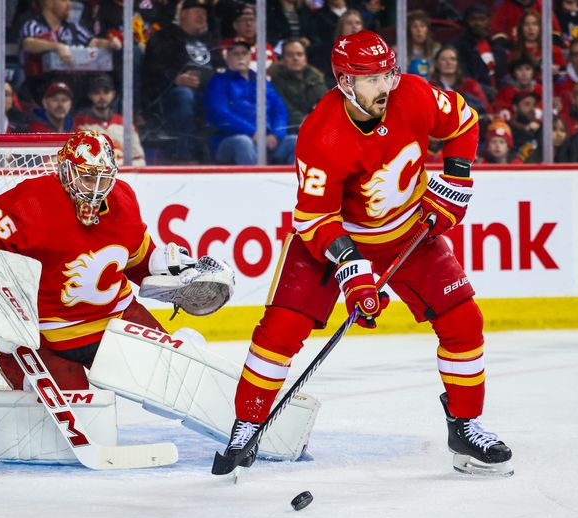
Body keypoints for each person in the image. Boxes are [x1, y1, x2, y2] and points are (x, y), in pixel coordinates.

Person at [218, 30, 513, 476]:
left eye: (388, 73)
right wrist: (352, 270)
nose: (385, 85)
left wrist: (455, 179)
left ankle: (465, 426)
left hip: (408, 233)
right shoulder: (322, 134)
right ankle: (247, 424)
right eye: (371, 78)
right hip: (335, 239)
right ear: (344, 82)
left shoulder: (412, 93)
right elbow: (315, 220)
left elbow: (465, 122)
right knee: (281, 330)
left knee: (463, 320)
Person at [0, 130, 228, 390]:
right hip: (46, 335)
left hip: (117, 319)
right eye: (88, 177)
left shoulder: (123, 198)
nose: (96, 188)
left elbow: (136, 257)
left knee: (179, 378)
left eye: (104, 178)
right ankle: (20, 378)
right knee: (70, 413)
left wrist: (171, 272)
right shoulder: (34, 200)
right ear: (66, 172)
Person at [142, 0, 223, 163]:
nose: (202, 16)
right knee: (184, 96)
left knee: (222, 97)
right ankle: (184, 155)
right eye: (196, 12)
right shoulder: (164, 37)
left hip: (207, 91)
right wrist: (175, 79)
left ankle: (215, 155)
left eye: (204, 14)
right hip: (171, 93)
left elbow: (220, 66)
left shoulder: (210, 40)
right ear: (182, 14)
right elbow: (151, 69)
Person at [204, 40, 297, 165]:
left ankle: (296, 183)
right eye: (236, 54)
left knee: (295, 141)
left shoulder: (261, 81)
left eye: (244, 53)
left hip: (267, 139)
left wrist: (276, 134)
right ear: (227, 57)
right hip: (229, 140)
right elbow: (219, 113)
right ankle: (255, 183)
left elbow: (280, 109)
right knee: (243, 142)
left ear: (249, 57)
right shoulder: (219, 82)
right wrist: (252, 132)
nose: (241, 57)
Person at [73, 74, 146, 166]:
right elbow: (76, 160)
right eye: (96, 92)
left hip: (124, 175)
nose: (102, 96)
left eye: (106, 92)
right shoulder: (80, 123)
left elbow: (140, 159)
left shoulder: (125, 123)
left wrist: (121, 165)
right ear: (90, 95)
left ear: (113, 94)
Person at [267, 38, 328, 132]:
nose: (295, 58)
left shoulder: (315, 77)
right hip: (290, 130)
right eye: (290, 55)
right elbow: (286, 109)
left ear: (305, 58)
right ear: (282, 59)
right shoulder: (275, 80)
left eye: (299, 54)